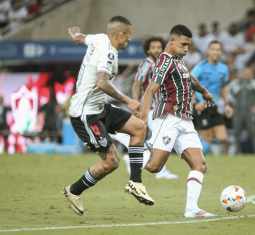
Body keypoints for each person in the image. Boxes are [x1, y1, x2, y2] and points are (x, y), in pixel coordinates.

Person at [64, 16, 154, 216]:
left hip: (99, 108)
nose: (128, 41)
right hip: (85, 115)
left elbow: (83, 38)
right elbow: (102, 83)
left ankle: (136, 183)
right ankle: (73, 190)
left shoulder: (99, 38)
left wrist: (76, 36)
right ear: (119, 34)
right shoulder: (108, 53)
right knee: (111, 162)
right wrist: (128, 100)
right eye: (128, 37)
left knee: (139, 128)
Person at [141, 24, 215, 218]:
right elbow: (151, 89)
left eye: (189, 45)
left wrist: (205, 92)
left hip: (186, 120)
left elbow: (190, 79)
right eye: (183, 44)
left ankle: (192, 209)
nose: (186, 48)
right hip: (169, 119)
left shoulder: (179, 61)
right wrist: (141, 118)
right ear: (172, 41)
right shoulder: (164, 60)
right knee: (153, 167)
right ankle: (136, 152)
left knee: (200, 165)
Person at [111, 36, 178, 179]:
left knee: (156, 138)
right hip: (150, 107)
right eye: (153, 47)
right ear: (148, 50)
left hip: (162, 107)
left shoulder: (164, 64)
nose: (156, 50)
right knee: (159, 138)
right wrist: (136, 103)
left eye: (159, 47)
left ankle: (130, 154)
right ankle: (160, 170)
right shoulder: (146, 64)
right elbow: (137, 83)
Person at [191, 40, 233, 154]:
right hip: (202, 105)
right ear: (208, 51)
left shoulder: (224, 69)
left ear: (221, 52)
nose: (216, 52)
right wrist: (194, 103)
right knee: (206, 139)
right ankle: (197, 163)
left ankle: (226, 164)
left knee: (223, 138)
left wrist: (227, 104)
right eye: (213, 49)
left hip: (215, 105)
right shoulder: (200, 67)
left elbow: (224, 88)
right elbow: (189, 84)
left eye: (218, 49)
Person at [228, 66, 255, 153]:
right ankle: (237, 152)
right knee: (236, 131)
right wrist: (232, 102)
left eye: (248, 73)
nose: (246, 75)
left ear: (252, 74)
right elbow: (226, 92)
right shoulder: (235, 83)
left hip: (250, 111)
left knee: (253, 132)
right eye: (245, 73)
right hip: (238, 111)